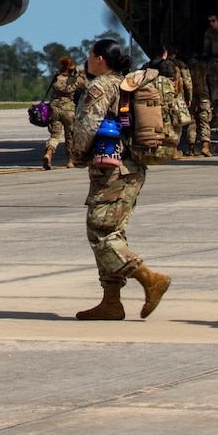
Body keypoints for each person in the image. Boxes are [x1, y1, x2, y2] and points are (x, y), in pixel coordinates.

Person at [67, 39, 172, 320]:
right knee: (114, 232)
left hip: (112, 170)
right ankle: (111, 301)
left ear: (101, 59)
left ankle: (150, 278)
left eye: (90, 55)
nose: (87, 59)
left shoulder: (99, 85)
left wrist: (76, 155)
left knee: (100, 232)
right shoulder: (124, 83)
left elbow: (87, 125)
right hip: (131, 168)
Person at [40, 55, 83, 171]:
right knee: (70, 136)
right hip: (69, 110)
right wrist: (80, 72)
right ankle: (70, 160)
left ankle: (49, 153)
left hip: (55, 109)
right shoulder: (75, 81)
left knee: (55, 135)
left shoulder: (56, 78)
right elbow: (87, 84)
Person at [187, 55, 213, 157]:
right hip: (204, 97)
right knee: (204, 121)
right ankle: (205, 147)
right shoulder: (203, 66)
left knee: (191, 123)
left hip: (191, 98)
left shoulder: (186, 67)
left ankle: (191, 150)